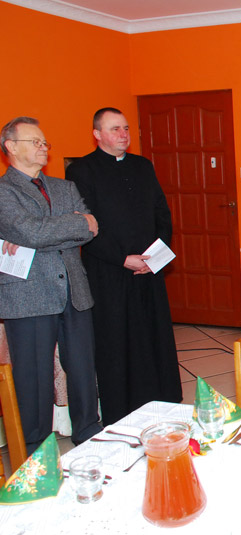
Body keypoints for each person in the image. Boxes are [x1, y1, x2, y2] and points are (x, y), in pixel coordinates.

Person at [66, 107, 182, 425]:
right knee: (116, 343)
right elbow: (85, 226)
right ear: (97, 134)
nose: (123, 134)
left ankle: (163, 404)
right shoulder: (81, 171)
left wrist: (156, 256)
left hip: (148, 269)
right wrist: (122, 258)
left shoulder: (143, 166)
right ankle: (120, 413)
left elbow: (162, 213)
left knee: (153, 338)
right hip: (109, 272)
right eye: (115, 129)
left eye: (126, 128)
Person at [0, 116, 102, 452]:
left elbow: (90, 230)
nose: (44, 147)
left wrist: (42, 234)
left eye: (45, 142)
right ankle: (35, 449)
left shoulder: (64, 187)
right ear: (11, 147)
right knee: (33, 377)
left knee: (83, 370)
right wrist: (72, 224)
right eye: (36, 142)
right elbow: (29, 231)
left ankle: (89, 432)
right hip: (28, 295)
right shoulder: (3, 191)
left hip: (74, 291)